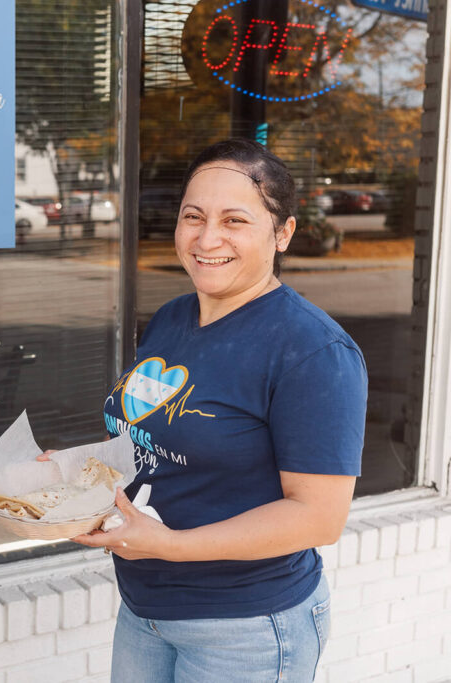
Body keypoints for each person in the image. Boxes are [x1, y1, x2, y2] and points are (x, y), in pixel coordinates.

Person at [73, 138, 367, 682]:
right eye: (194, 216)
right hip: (145, 612)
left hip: (246, 629)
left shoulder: (312, 352)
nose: (208, 239)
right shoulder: (171, 318)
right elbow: (152, 440)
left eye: (235, 220)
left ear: (282, 234)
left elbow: (319, 517)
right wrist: (69, 476)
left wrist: (170, 546)